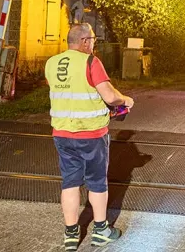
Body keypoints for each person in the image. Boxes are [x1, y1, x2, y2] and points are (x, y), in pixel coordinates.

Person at [45, 23, 134, 250]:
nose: (94, 44)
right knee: (97, 183)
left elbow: (68, 91)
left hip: (62, 134)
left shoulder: (51, 63)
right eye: (93, 39)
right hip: (91, 134)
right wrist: (125, 100)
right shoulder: (91, 62)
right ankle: (101, 231)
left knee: (70, 183)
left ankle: (71, 234)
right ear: (85, 41)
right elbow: (109, 96)